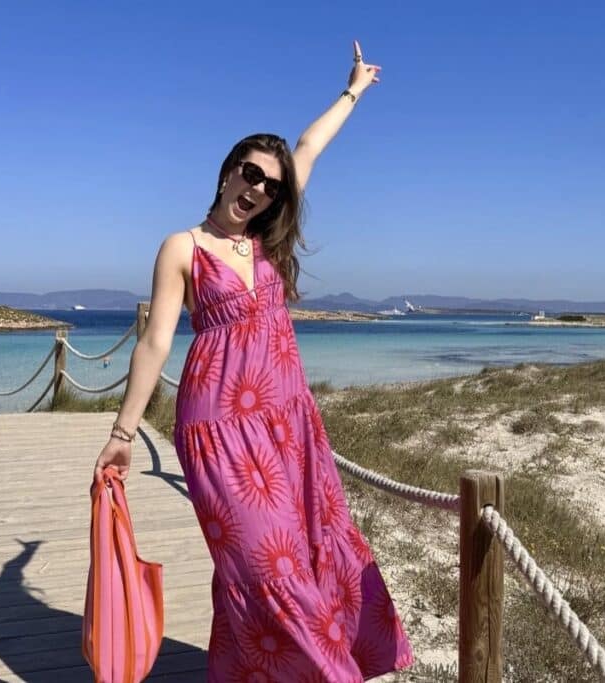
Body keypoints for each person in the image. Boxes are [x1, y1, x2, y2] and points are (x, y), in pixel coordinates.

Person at [94, 40, 413, 681]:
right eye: (249, 173)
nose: (258, 188)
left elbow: (309, 147)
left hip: (288, 424)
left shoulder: (266, 242)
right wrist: (123, 433)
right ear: (227, 169)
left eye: (269, 185)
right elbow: (156, 341)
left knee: (306, 556)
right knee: (266, 565)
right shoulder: (181, 247)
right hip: (216, 429)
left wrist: (353, 89)